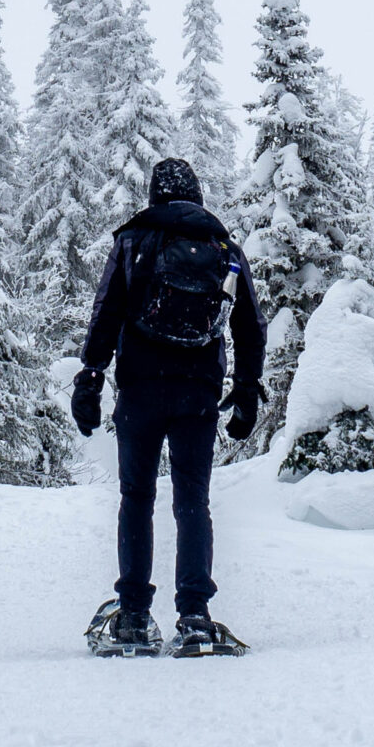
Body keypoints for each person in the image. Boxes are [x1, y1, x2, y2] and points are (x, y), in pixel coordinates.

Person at [70, 156, 266, 657]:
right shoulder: (224, 247)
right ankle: (195, 618)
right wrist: (245, 389)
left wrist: (91, 378)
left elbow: (106, 312)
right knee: (191, 501)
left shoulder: (134, 240)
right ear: (197, 195)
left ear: (154, 194)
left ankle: (134, 616)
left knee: (136, 497)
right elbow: (249, 325)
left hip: (138, 391)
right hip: (197, 392)